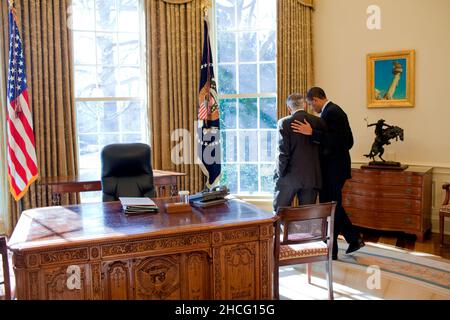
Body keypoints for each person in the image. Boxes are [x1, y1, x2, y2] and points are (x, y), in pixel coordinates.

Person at [290, 87, 365, 260]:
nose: (311, 108)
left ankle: (344, 243)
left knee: (330, 207)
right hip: (334, 169)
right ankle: (344, 244)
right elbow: (344, 140)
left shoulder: (332, 113)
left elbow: (345, 142)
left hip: (334, 169)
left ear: (316, 99)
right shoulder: (333, 111)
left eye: (310, 103)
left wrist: (312, 133)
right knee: (332, 206)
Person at [273, 93, 326, 212]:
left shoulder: (284, 123)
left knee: (279, 213)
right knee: (306, 217)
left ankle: (282, 231)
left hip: (289, 177)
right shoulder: (318, 122)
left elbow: (283, 152)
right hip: (312, 177)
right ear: (305, 105)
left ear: (289, 108)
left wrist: (279, 174)